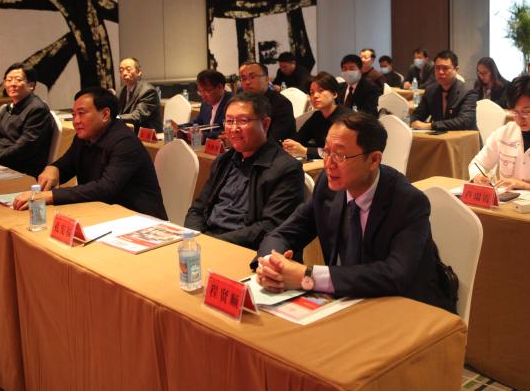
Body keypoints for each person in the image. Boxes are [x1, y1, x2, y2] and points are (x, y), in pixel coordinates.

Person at [254, 112, 455, 312]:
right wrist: (271, 265)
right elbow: (283, 233)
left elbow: (395, 275)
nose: (328, 164)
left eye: (340, 155)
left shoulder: (408, 202)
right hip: (346, 300)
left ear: (374, 160)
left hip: (406, 307)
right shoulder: (327, 185)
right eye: (326, 151)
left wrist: (308, 275)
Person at [12, 87, 166, 218]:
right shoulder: (84, 137)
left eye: (82, 113)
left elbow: (104, 189)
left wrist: (48, 196)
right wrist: (54, 168)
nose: (76, 121)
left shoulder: (125, 142)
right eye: (73, 115)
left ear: (105, 115)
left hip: (141, 219)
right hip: (104, 214)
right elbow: (67, 164)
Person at [184, 92, 304, 248]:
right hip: (208, 241)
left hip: (244, 249)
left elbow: (270, 226)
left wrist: (214, 243)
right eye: (229, 121)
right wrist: (194, 238)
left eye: (243, 121)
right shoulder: (224, 161)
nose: (234, 128)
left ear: (265, 124)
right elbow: (197, 210)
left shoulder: (286, 168)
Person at [0, 64, 57, 176]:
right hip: (2, 163)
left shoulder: (37, 109)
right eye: (8, 80)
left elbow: (25, 147)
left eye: (18, 80)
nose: (12, 84)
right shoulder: (6, 109)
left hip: (23, 168)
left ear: (31, 85)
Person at [283, 72, 347, 160]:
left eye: (321, 91)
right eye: (312, 93)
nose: (315, 96)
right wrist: (289, 144)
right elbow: (299, 138)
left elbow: (339, 153)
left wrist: (305, 151)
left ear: (334, 94)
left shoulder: (346, 119)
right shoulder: (317, 116)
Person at [411, 50, 478, 131]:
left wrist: (431, 126)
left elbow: (464, 121)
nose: (440, 72)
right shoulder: (430, 91)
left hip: (465, 137)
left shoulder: (468, 92)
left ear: (456, 70)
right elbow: (417, 116)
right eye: (437, 68)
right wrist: (411, 122)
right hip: (439, 137)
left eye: (445, 68)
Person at [238, 61, 296, 143]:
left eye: (252, 77)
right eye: (243, 79)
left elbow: (275, 139)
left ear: (267, 79)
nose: (247, 82)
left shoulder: (281, 104)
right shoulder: (242, 103)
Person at [115, 57, 162, 132]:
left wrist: (115, 118)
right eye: (121, 70)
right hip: (128, 132)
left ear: (139, 72)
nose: (124, 73)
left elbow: (137, 116)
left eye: (128, 69)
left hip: (148, 135)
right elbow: (116, 110)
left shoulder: (148, 91)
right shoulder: (121, 91)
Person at [187, 69, 229, 139]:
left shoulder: (232, 104)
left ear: (220, 87)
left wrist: (204, 136)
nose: (203, 95)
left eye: (207, 91)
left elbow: (226, 131)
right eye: (200, 91)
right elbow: (198, 122)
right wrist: (180, 128)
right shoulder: (205, 104)